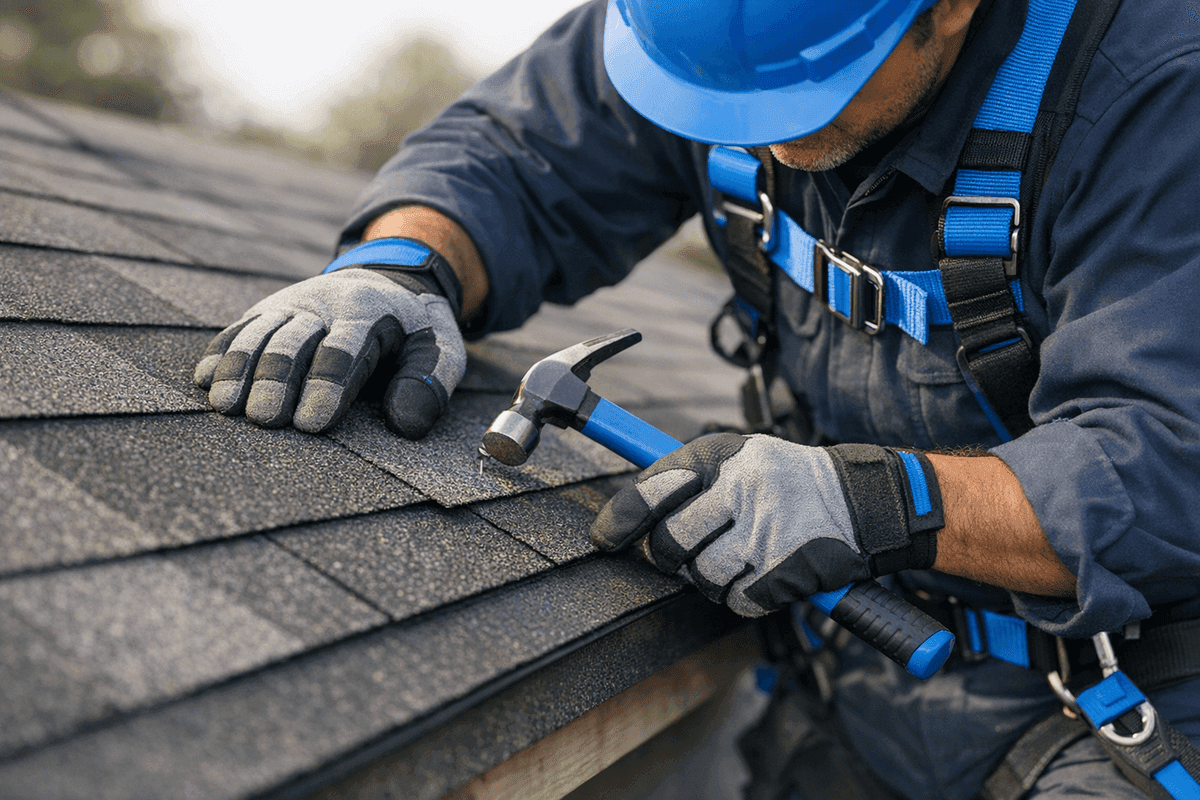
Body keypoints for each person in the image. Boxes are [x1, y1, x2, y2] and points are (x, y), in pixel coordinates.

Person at [193, 0, 1200, 797]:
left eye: (802, 100)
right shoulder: (701, 27)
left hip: (1125, 695)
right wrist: (407, 263)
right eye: (716, 107)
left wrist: (882, 501)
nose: (760, 141)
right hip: (853, 675)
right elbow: (516, 157)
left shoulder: (1159, 90)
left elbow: (1169, 453)